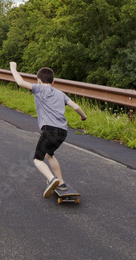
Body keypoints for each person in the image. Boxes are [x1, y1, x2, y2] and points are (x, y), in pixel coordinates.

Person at [10, 61, 87, 198]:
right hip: (62, 132)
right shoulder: (60, 93)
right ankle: (61, 182)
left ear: (38, 80)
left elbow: (20, 82)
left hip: (49, 130)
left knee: (37, 159)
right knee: (49, 154)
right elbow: (75, 107)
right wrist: (83, 117)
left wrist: (13, 68)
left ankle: (52, 179)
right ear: (53, 80)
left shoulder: (39, 89)